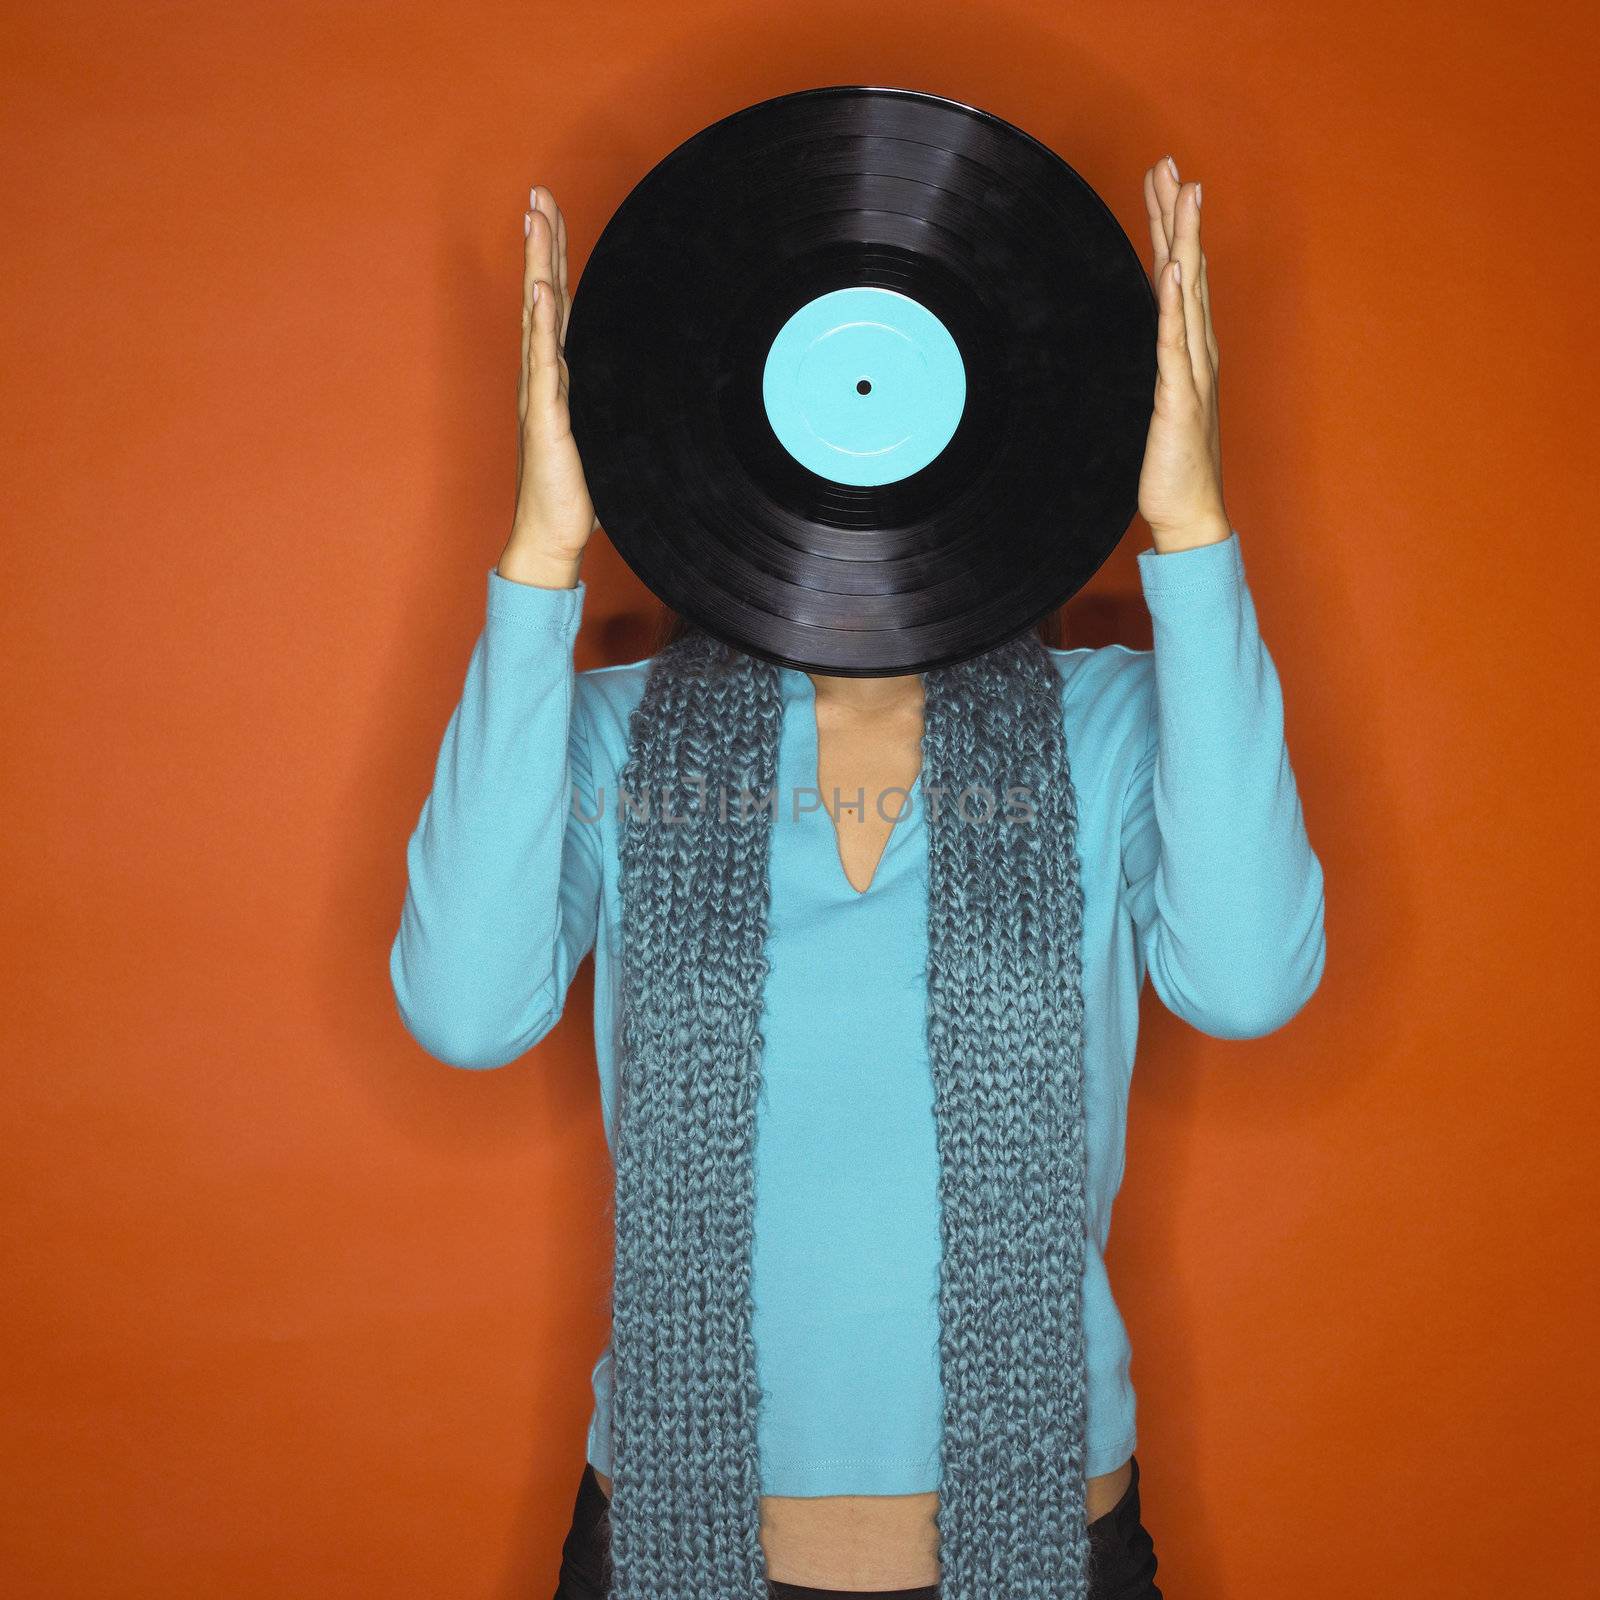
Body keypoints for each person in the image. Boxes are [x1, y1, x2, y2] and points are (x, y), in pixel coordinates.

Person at [389, 158, 1326, 1600]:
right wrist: (541, 557)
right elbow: (466, 1011)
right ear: (736, 415)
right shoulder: (618, 735)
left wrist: (1192, 533)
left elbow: (1250, 983)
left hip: (1050, 1548)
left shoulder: (1109, 720)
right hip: (666, 1548)